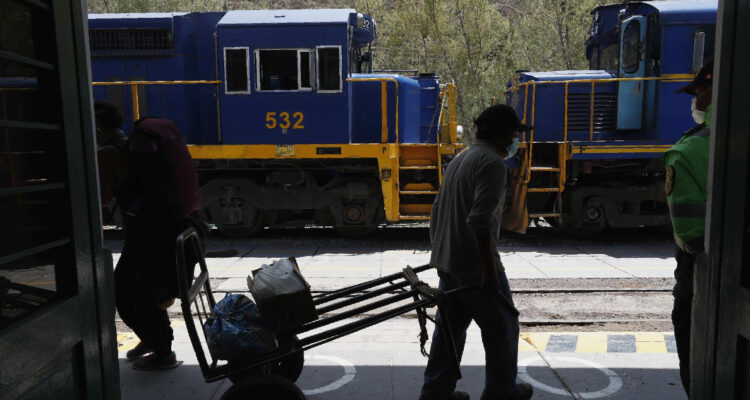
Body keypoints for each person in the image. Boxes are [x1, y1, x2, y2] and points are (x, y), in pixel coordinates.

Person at [419, 104, 533, 400]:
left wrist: (442, 256)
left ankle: (435, 394)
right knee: (503, 328)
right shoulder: (493, 164)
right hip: (474, 267)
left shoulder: (462, 158)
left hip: (449, 263)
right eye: (512, 134)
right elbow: (480, 221)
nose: (514, 140)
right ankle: (501, 393)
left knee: (449, 333)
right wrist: (488, 272)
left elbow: (436, 211)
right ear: (501, 136)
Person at [97, 107, 203, 370]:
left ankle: (162, 351)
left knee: (126, 293)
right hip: (160, 227)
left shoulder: (109, 152)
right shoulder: (131, 145)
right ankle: (154, 341)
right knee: (150, 290)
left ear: (98, 127)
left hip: (147, 233)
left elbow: (103, 197)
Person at [664, 59, 714, 397]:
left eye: (696, 93)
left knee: (692, 335)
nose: (693, 102)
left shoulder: (686, 150)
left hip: (703, 273)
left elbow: (692, 236)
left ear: (708, 94)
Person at [93, 100, 128, 223]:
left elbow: (104, 199)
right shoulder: (127, 142)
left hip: (135, 216)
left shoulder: (107, 152)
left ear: (97, 124)